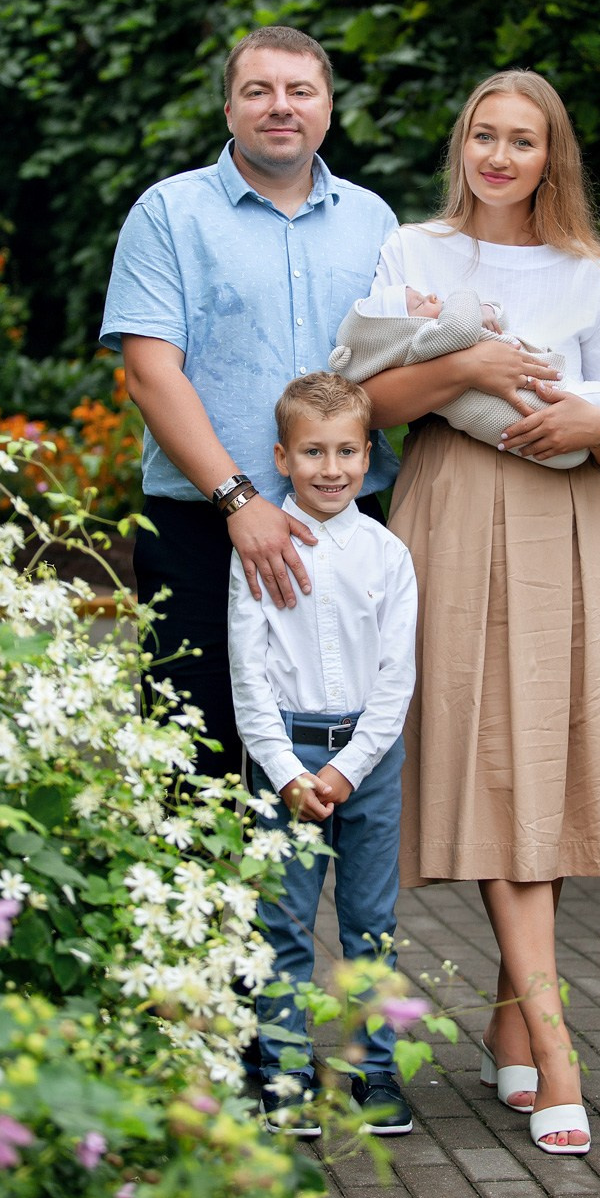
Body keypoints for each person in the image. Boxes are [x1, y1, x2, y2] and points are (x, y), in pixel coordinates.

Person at [360, 69, 600, 1156]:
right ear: (462, 146)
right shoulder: (414, 250)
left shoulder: (587, 273)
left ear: (549, 157)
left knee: (549, 753)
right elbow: (369, 400)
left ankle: (509, 1019)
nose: (497, 156)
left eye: (521, 141)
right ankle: (554, 1044)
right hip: (448, 508)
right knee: (495, 754)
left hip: (565, 521)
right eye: (483, 135)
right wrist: (468, 366)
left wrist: (595, 426)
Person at [99, 26, 398, 785]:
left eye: (301, 91)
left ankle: (307, 874)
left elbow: (401, 366)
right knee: (192, 763)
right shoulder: (168, 214)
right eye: (258, 91)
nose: (281, 107)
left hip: (342, 534)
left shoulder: (375, 223)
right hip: (200, 531)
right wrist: (238, 499)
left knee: (334, 763)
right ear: (229, 109)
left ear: (328, 108)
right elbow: (150, 375)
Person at [228, 372, 417, 1138]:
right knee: (283, 921)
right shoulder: (257, 551)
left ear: (369, 455)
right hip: (287, 757)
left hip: (370, 762)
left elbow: (396, 680)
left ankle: (375, 1069)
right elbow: (248, 676)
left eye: (346, 451)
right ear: (283, 457)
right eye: (313, 452)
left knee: (371, 922)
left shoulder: (389, 555)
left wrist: (346, 770)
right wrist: (288, 774)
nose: (331, 469)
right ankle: (284, 1068)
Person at [331, 283, 600, 478]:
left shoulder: (591, 270)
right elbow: (461, 327)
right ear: (403, 324)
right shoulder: (424, 339)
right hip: (528, 430)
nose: (431, 295)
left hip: (562, 447)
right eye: (418, 302)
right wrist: (466, 297)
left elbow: (494, 324)